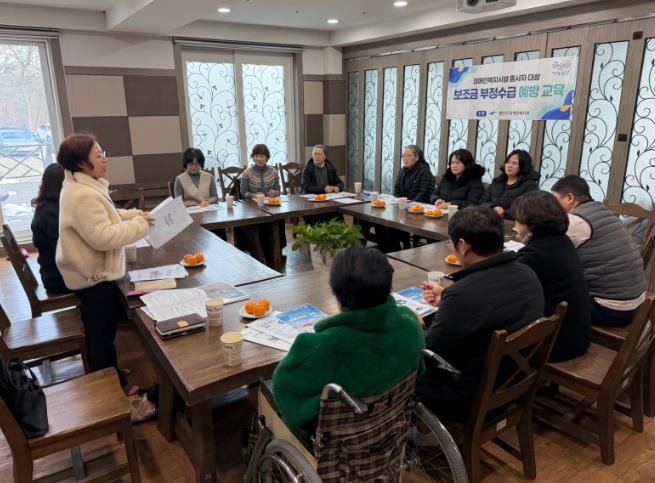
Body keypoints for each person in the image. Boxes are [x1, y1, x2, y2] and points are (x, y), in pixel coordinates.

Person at [271, 246, 425, 434]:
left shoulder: (319, 346)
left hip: (338, 439)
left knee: (267, 388)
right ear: (388, 287)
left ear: (337, 294)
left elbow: (285, 391)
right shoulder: (410, 325)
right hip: (392, 425)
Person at [55, 133, 155, 419]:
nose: (105, 159)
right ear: (82, 164)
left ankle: (114, 379)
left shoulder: (81, 184)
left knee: (103, 333)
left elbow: (106, 215)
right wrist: (140, 226)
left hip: (91, 272)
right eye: (98, 155)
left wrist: (133, 215)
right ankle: (111, 402)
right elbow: (103, 236)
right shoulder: (82, 194)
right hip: (92, 276)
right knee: (101, 337)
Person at [416, 206, 544, 421]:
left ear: (463, 246)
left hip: (467, 397)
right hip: (515, 381)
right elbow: (490, 305)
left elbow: (431, 352)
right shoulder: (527, 273)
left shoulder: (463, 294)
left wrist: (417, 325)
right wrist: (447, 298)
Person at [551, 175, 646, 327]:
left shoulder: (575, 221)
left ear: (569, 198)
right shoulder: (603, 211)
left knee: (546, 296)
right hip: (637, 302)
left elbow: (550, 252)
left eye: (555, 201)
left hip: (611, 310)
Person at [512, 191, 591, 362]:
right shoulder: (562, 240)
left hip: (555, 344)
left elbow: (508, 291)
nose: (515, 224)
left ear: (531, 223)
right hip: (578, 334)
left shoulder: (534, 254)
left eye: (517, 219)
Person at [236, 144, 284, 266]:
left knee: (277, 220)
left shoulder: (273, 172)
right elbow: (243, 193)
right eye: (256, 156)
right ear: (253, 157)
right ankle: (258, 253)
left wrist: (275, 192)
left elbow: (279, 190)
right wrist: (254, 195)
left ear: (267, 157)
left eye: (262, 156)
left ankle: (275, 252)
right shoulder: (247, 173)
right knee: (255, 224)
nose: (259, 159)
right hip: (252, 208)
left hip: (270, 206)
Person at [31, 163, 69, 294]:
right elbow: (63, 252)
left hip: (53, 272)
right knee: (106, 281)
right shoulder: (50, 214)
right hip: (58, 279)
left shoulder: (47, 206)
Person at [481, 149, 540, 219]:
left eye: (514, 163)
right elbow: (482, 202)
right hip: (491, 219)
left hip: (513, 222)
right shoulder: (497, 181)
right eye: (508, 162)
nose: (509, 165)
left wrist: (504, 213)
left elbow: (528, 210)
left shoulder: (530, 185)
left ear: (523, 166)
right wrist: (493, 207)